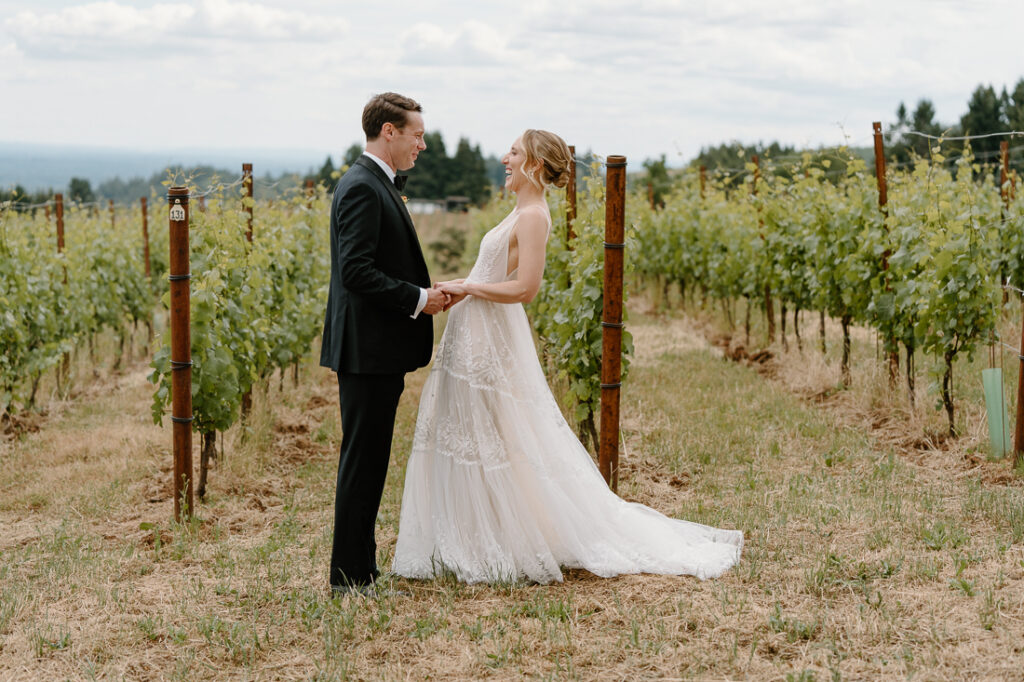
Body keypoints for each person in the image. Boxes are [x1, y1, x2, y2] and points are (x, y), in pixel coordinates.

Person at [392, 130, 743, 584]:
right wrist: (455, 287)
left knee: (498, 434)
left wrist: (469, 287)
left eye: (513, 152)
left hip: (492, 331)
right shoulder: (519, 210)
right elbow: (490, 272)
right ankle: (473, 534)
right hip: (473, 328)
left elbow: (526, 288)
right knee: (473, 431)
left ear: (534, 164)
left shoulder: (535, 215)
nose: (505, 158)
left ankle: (496, 540)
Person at [320, 92, 448, 594]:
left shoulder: (377, 183)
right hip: (366, 352)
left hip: (376, 350)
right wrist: (418, 298)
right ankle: (350, 578)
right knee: (362, 462)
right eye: (416, 135)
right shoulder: (361, 187)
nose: (421, 145)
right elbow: (356, 272)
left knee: (370, 461)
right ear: (388, 132)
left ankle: (361, 570)